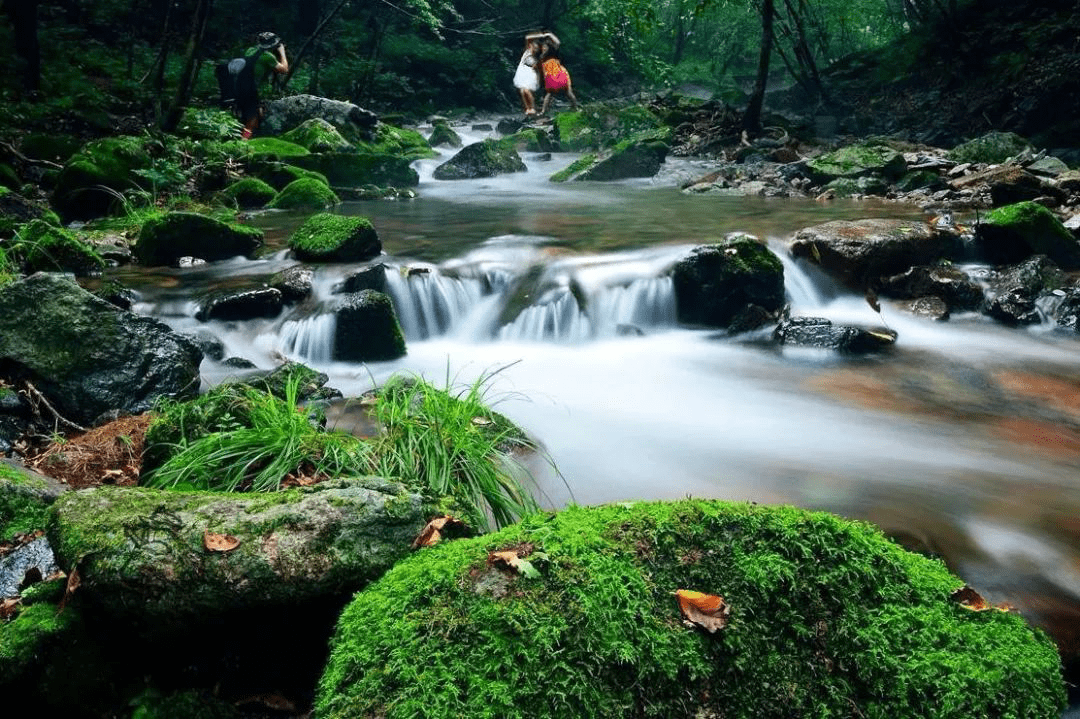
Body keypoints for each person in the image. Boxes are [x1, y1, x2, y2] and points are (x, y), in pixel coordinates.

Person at [239, 31, 289, 139]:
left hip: (240, 87)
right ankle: (243, 142)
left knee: (256, 115)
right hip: (251, 91)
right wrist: (282, 52)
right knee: (251, 122)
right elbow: (284, 69)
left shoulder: (250, 50)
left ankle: (247, 138)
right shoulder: (267, 56)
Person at [536, 32, 578, 116]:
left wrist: (549, 34)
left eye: (545, 47)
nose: (544, 48)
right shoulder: (541, 56)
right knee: (550, 93)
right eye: (543, 47)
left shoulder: (554, 53)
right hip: (550, 76)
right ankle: (544, 111)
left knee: (568, 91)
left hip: (559, 73)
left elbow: (557, 43)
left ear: (549, 47)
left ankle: (575, 107)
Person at [512, 36, 542, 116]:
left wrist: (538, 79)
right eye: (534, 47)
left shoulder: (535, 58)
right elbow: (528, 38)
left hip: (530, 76)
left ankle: (532, 107)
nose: (535, 49)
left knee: (526, 91)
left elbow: (537, 71)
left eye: (537, 49)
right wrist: (541, 34)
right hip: (522, 75)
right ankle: (528, 108)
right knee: (522, 91)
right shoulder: (527, 52)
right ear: (530, 46)